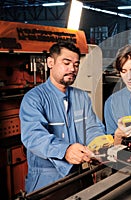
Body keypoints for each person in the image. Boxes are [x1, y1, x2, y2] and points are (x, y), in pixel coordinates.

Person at [19, 41, 106, 193]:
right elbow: (33, 136)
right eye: (66, 63)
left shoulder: (82, 97)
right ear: (50, 63)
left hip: (78, 175)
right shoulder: (33, 98)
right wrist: (65, 150)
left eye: (76, 64)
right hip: (46, 181)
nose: (72, 69)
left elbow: (92, 127)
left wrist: (99, 146)